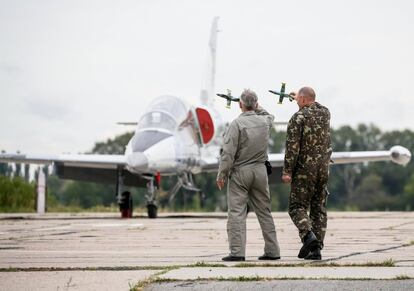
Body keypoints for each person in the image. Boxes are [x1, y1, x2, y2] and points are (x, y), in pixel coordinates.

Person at [217, 89, 280, 262]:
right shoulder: (265, 121)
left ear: (240, 104)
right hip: (260, 172)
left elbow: (228, 153)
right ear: (256, 103)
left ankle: (237, 252)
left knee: (237, 212)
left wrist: (222, 174)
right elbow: (269, 115)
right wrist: (257, 107)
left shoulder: (236, 124)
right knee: (264, 211)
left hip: (241, 172)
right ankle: (273, 250)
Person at [282, 87, 332, 260]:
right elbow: (315, 106)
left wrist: (287, 170)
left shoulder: (298, 118)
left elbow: (292, 147)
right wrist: (302, 98)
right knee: (318, 209)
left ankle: (308, 237)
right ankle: (316, 250)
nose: (296, 102)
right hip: (323, 169)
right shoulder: (325, 113)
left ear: (303, 99)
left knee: (297, 207)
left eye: (298, 100)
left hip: (304, 170)